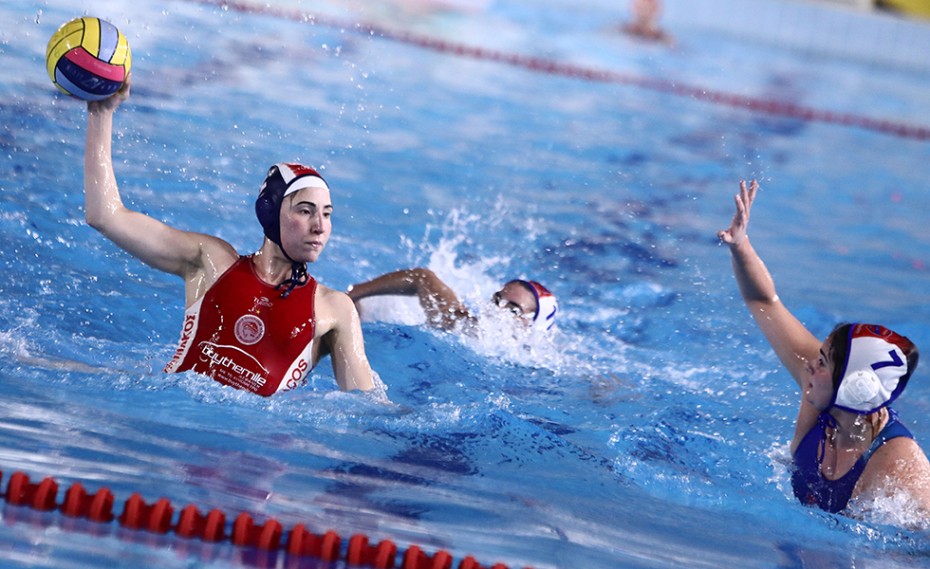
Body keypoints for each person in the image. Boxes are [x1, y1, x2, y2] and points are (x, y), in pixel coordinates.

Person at [83, 79, 376, 396]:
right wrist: (102, 114)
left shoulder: (334, 310)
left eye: (327, 213)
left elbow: (367, 408)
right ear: (270, 212)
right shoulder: (209, 260)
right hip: (164, 407)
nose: (320, 226)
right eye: (305, 211)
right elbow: (105, 216)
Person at [718, 179, 930, 517]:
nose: (809, 367)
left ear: (855, 388)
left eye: (823, 363)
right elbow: (764, 301)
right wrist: (740, 245)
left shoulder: (899, 468)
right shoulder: (819, 392)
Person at [346, 268, 557, 334]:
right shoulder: (460, 323)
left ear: (531, 325)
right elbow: (422, 278)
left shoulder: (528, 366)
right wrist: (352, 295)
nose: (497, 310)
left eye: (512, 310)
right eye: (497, 299)